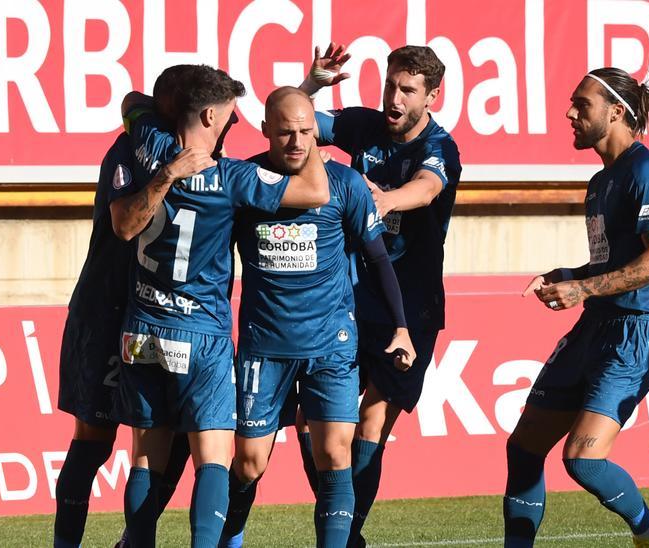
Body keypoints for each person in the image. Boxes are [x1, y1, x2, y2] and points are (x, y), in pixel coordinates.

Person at [111, 65, 330, 547]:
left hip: (143, 326)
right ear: (210, 114)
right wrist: (311, 126)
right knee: (212, 456)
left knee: (146, 457)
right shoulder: (233, 177)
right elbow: (316, 191)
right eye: (230, 117)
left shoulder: (149, 143)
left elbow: (131, 101)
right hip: (200, 332)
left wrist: (159, 125)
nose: (235, 126)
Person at [215, 86, 415, 548]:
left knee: (334, 452)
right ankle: (230, 538)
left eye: (306, 131)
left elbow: (377, 259)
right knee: (248, 462)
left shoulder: (345, 184)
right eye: (285, 133)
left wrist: (401, 327)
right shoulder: (244, 181)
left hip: (331, 342)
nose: (297, 142)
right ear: (266, 131)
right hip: (265, 346)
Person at [503, 67, 649, 548]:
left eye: (582, 104)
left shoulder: (647, 171)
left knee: (582, 461)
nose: (570, 112)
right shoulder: (601, 181)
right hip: (594, 325)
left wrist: (582, 288)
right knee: (524, 447)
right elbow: (611, 261)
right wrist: (571, 277)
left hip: (634, 332)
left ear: (616, 111)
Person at [298, 43, 462, 547]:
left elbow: (428, 187)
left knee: (372, 419)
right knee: (309, 418)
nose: (394, 96)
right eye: (391, 84)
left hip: (409, 309)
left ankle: (346, 534)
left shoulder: (440, 147)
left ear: (432, 96)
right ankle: (343, 525)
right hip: (348, 296)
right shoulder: (364, 126)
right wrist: (311, 86)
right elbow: (295, 127)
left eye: (408, 90)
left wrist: (385, 199)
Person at [52, 66, 196, 548]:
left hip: (161, 317)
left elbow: (134, 99)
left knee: (174, 437)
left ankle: (131, 541)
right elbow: (134, 99)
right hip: (107, 311)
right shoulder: (130, 149)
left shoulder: (199, 157)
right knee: (93, 440)